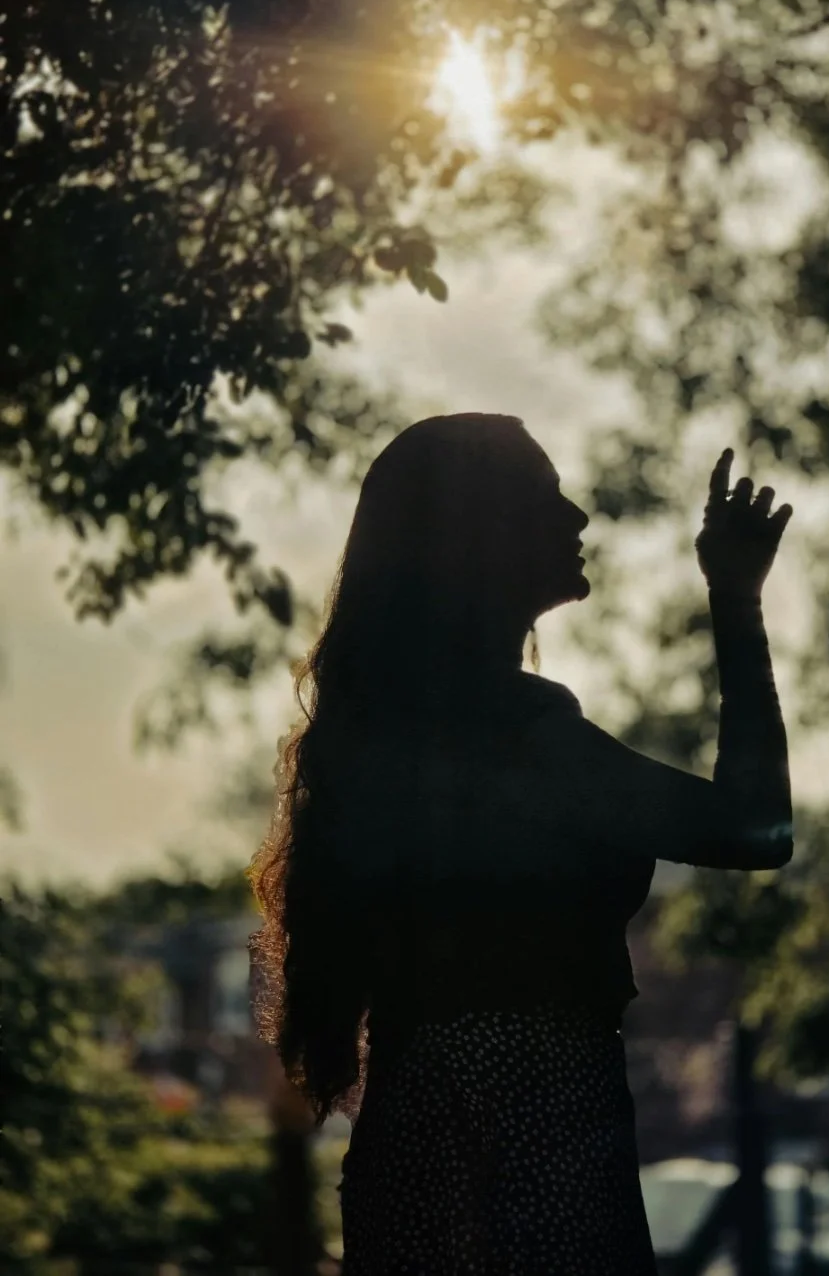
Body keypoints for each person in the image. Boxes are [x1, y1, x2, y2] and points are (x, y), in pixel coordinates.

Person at [247, 412, 794, 1275]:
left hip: (413, 1120)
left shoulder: (394, 739)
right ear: (475, 539)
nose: (576, 519)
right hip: (537, 1119)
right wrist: (735, 598)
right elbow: (755, 828)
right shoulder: (523, 737)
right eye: (544, 498)